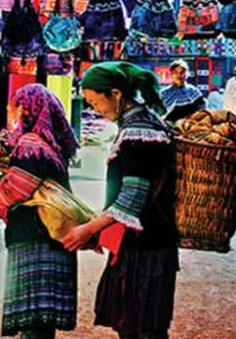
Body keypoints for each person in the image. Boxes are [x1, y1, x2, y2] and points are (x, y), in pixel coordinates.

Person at [65, 62, 178, 339]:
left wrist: (88, 229)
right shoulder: (146, 123)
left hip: (145, 244)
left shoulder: (139, 131)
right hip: (145, 242)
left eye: (95, 102)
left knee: (141, 328)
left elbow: (132, 197)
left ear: (116, 94)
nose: (94, 110)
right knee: (140, 325)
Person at [0, 84, 79, 339]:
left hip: (36, 241)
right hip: (51, 238)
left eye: (13, 104)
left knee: (34, 325)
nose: (8, 109)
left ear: (25, 109)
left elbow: (14, 191)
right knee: (41, 326)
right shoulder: (51, 144)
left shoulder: (30, 144)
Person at [161, 59, 205, 123]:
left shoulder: (194, 92)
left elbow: (202, 113)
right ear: (171, 74)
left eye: (182, 72)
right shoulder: (164, 93)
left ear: (187, 74)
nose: (179, 75)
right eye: (175, 72)